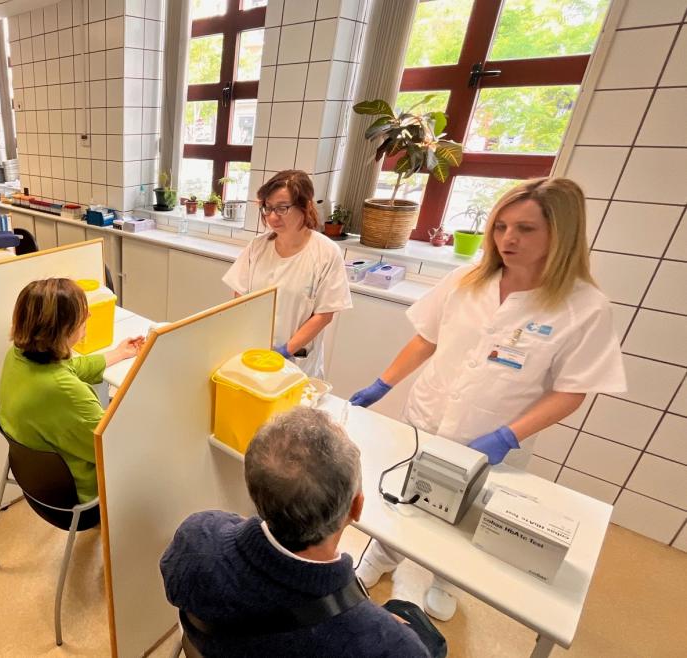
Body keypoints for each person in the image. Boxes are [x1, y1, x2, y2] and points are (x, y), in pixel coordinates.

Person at [348, 177, 626, 621]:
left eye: (526, 229)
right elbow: (426, 340)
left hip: (494, 436)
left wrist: (507, 435)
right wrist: (383, 384)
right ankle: (380, 559)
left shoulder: (584, 307)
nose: (507, 239)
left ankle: (443, 579)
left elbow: (572, 391)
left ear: (562, 233)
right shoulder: (467, 278)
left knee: (467, 512)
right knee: (406, 495)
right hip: (429, 415)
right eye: (501, 226)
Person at [160, 407, 442, 658]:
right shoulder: (387, 645)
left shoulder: (197, 539)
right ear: (356, 507)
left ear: (254, 488)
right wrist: (379, 622)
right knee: (421, 628)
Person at [0, 278, 144, 506]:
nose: (89, 316)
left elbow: (69, 368)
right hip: (81, 494)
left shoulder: (17, 355)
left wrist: (117, 354)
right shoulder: (66, 392)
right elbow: (113, 449)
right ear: (62, 328)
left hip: (37, 480)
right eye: (82, 313)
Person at [223, 170, 352, 379]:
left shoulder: (326, 252)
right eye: (268, 207)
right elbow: (240, 296)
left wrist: (285, 351)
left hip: (296, 360)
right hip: (254, 353)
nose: (272, 216)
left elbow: (324, 315)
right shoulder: (258, 246)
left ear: (306, 206)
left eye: (282, 208)